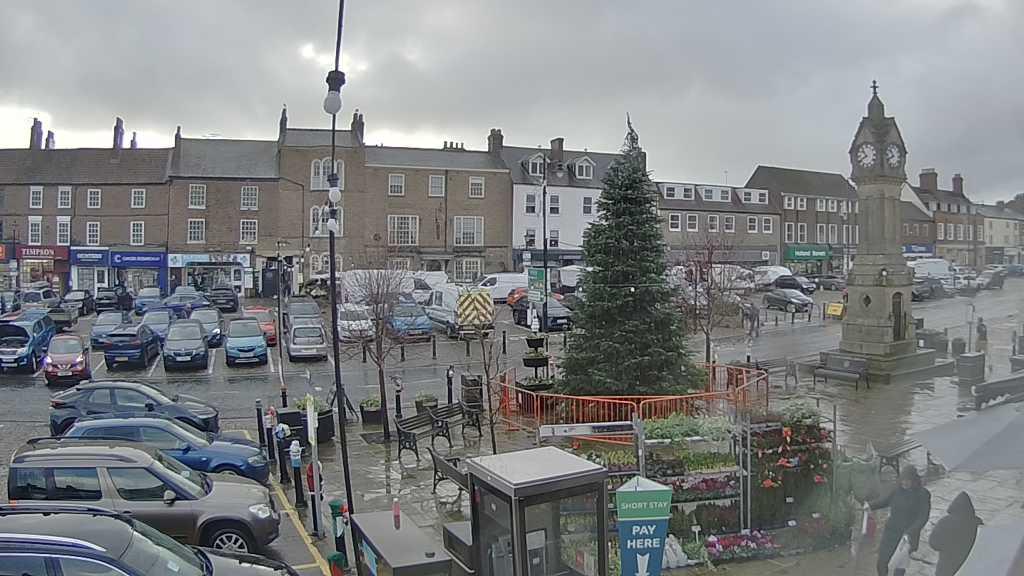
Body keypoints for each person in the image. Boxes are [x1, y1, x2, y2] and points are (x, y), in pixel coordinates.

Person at [870, 466, 932, 576]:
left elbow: (923, 517)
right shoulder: (897, 490)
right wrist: (870, 506)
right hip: (891, 532)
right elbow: (885, 501)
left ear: (914, 480)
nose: (905, 483)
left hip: (906, 537)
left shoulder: (923, 494)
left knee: (898, 567)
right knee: (881, 562)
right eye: (903, 480)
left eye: (908, 480)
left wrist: (910, 532)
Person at [928, 491, 982, 576]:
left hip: (947, 566)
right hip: (968, 565)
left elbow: (933, 543)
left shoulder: (944, 522)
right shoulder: (977, 523)